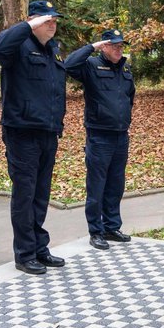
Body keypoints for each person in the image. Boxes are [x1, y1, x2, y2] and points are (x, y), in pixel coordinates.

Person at [0, 0, 67, 274]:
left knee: (41, 194)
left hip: (47, 132)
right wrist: (28, 25)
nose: (52, 24)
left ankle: (38, 247)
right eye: (47, 20)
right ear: (33, 21)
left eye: (55, 20)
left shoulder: (53, 51)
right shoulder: (17, 47)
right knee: (25, 194)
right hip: (22, 132)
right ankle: (24, 253)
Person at [64, 29, 135, 250]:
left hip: (121, 135)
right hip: (99, 135)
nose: (118, 49)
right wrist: (91, 47)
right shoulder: (91, 66)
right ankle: (96, 231)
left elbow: (129, 96)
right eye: (113, 45)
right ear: (103, 47)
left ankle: (112, 226)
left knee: (116, 184)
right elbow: (68, 65)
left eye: (120, 46)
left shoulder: (125, 68)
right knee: (97, 186)